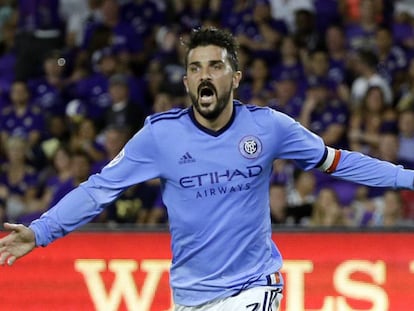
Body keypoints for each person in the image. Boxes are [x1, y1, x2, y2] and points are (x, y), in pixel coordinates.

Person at [2, 27, 414, 311]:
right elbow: (97, 191)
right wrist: (40, 231)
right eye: (195, 68)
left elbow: (337, 160)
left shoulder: (269, 127)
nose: (205, 75)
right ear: (185, 82)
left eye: (215, 66)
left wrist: (407, 177)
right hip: (190, 295)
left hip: (254, 287)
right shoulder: (159, 137)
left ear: (234, 78)